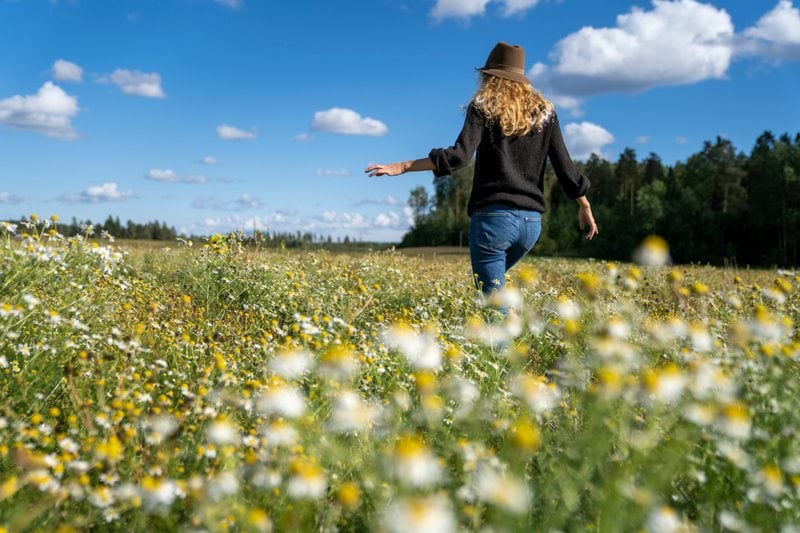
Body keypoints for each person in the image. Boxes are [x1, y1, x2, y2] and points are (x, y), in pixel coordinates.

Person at [365, 42, 598, 318]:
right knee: (495, 292)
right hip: (530, 226)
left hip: (493, 222)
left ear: (490, 76)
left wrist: (401, 166)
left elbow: (460, 156)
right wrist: (584, 205)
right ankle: (515, 333)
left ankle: (515, 347)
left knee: (493, 302)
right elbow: (565, 167)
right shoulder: (546, 114)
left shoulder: (484, 107)